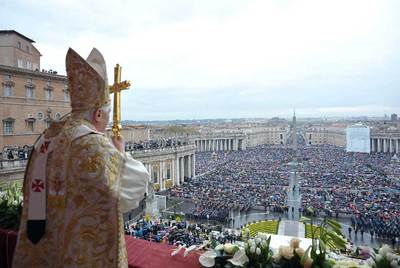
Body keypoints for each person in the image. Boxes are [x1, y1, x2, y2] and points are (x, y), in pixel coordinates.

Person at [12, 48, 151, 268]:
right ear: (98, 114)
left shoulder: (45, 139)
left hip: (44, 253)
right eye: (105, 116)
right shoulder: (94, 144)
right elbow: (131, 190)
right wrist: (120, 154)